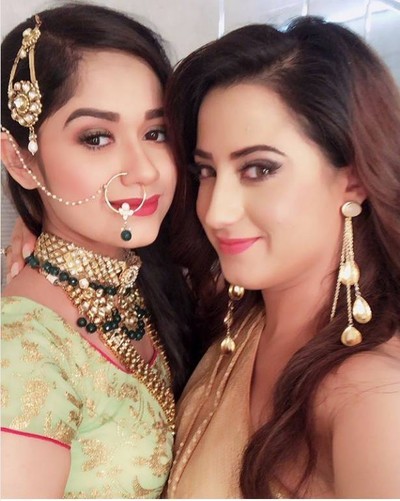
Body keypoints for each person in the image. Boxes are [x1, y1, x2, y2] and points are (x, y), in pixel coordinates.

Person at [163, 17, 400, 498]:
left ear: (354, 177)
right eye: (206, 171)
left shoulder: (369, 397)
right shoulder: (237, 314)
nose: (216, 211)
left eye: (259, 169)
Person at [0, 3, 198, 498]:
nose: (145, 169)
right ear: (21, 161)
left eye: (155, 133)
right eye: (96, 138)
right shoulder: (21, 351)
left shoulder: (152, 278)